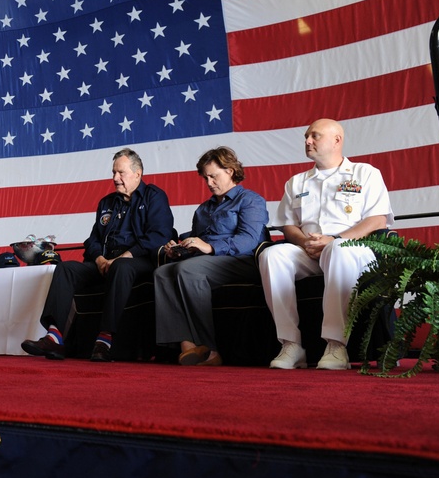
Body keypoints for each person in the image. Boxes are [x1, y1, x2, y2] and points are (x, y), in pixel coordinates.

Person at [258, 119, 393, 370]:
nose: (308, 141)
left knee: (338, 250)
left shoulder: (365, 173)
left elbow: (377, 219)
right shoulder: (296, 182)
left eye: (315, 136)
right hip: (309, 249)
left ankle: (336, 345)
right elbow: (288, 225)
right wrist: (305, 242)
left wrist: (336, 240)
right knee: (272, 255)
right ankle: (291, 344)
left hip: (352, 249)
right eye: (307, 136)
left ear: (337, 140)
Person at [22, 148, 174, 362]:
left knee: (121, 267)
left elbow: (160, 235)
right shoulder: (107, 203)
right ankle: (55, 337)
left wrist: (124, 257)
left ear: (138, 173)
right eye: (113, 172)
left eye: (120, 173)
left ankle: (105, 340)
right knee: (66, 269)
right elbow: (92, 241)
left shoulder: (154, 196)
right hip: (105, 261)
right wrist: (100, 259)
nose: (115, 178)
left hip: (138, 261)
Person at [154, 147, 270, 367]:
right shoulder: (204, 209)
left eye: (213, 176)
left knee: (187, 270)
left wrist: (209, 247)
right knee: (162, 272)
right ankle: (187, 345)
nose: (209, 182)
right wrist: (180, 247)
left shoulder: (250, 200)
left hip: (242, 261)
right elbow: (198, 239)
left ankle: (210, 350)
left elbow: (250, 240)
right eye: (205, 177)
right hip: (210, 260)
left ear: (230, 171)